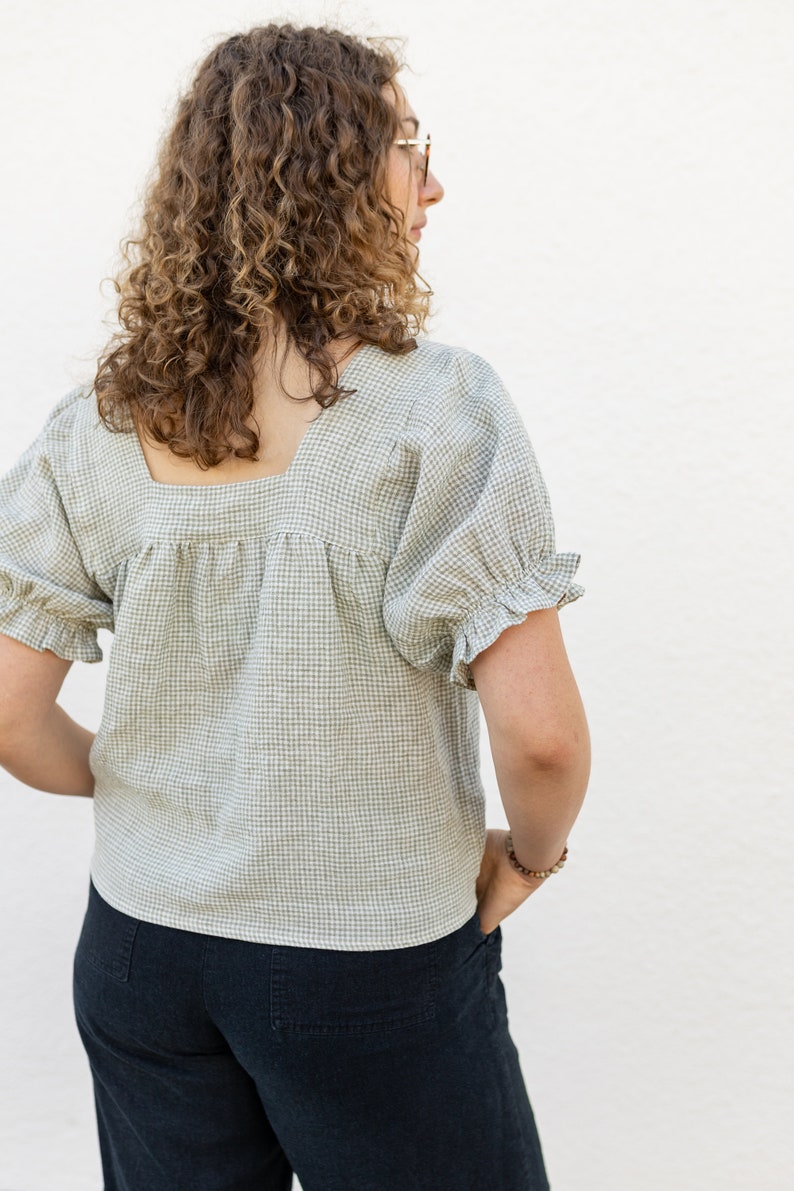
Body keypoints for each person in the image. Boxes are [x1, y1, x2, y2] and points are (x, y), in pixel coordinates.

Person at [0, 23, 590, 1191]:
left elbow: (11, 718)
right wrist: (531, 856)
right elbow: (541, 736)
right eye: (407, 146)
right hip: (362, 966)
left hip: (141, 956)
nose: (432, 181)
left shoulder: (100, 423)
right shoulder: (438, 409)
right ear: (327, 172)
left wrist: (163, 789)